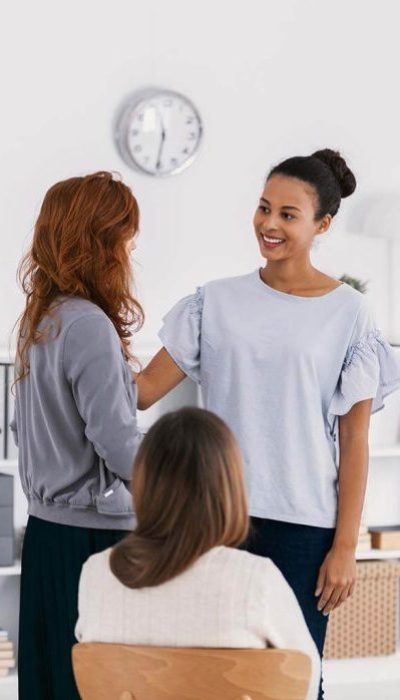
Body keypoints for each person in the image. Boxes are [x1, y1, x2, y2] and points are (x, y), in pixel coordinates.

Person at [135, 149, 400, 698]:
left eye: (288, 214)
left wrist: (345, 546)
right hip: (216, 521)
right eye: (263, 208)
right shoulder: (216, 302)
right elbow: (139, 392)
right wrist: (73, 337)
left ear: (322, 224)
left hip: (305, 527)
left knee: (295, 681)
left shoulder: (348, 313)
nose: (269, 224)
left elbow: (354, 440)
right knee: (215, 678)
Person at [76, 407, 320, 700]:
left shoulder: (97, 573)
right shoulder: (255, 579)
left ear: (144, 483)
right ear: (229, 489)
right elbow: (303, 682)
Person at [11, 171, 143, 700]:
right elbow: (115, 440)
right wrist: (183, 484)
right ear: (102, 244)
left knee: (51, 682)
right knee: (98, 685)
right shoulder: (89, 324)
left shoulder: (42, 319)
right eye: (125, 240)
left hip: (47, 534)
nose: (130, 253)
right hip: (94, 541)